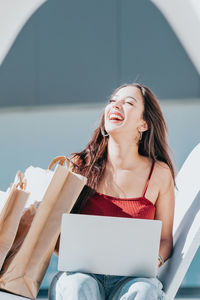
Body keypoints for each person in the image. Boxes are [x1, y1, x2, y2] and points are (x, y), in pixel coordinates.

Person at [49, 82, 175, 300]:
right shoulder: (79, 165)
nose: (116, 106)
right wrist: (71, 252)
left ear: (143, 124)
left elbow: (165, 240)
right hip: (81, 275)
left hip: (132, 280)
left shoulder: (159, 174)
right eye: (112, 101)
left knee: (144, 291)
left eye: (127, 103)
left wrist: (154, 261)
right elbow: (52, 230)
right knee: (79, 286)